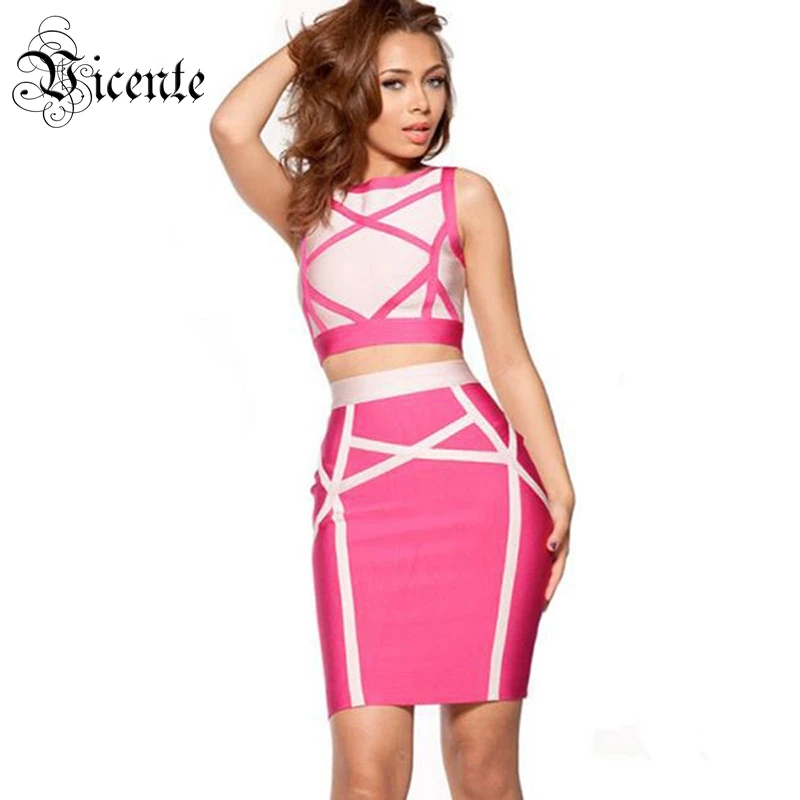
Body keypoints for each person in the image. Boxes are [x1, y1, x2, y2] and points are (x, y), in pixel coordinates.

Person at [210, 1, 575, 796]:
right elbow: (232, 128)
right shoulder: (306, 210)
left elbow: (509, 359)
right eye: (396, 81)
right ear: (348, 86)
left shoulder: (464, 196)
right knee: (364, 776)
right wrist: (336, 31)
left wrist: (560, 487)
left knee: (483, 772)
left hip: (481, 489)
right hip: (359, 496)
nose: (422, 104)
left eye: (434, 82)